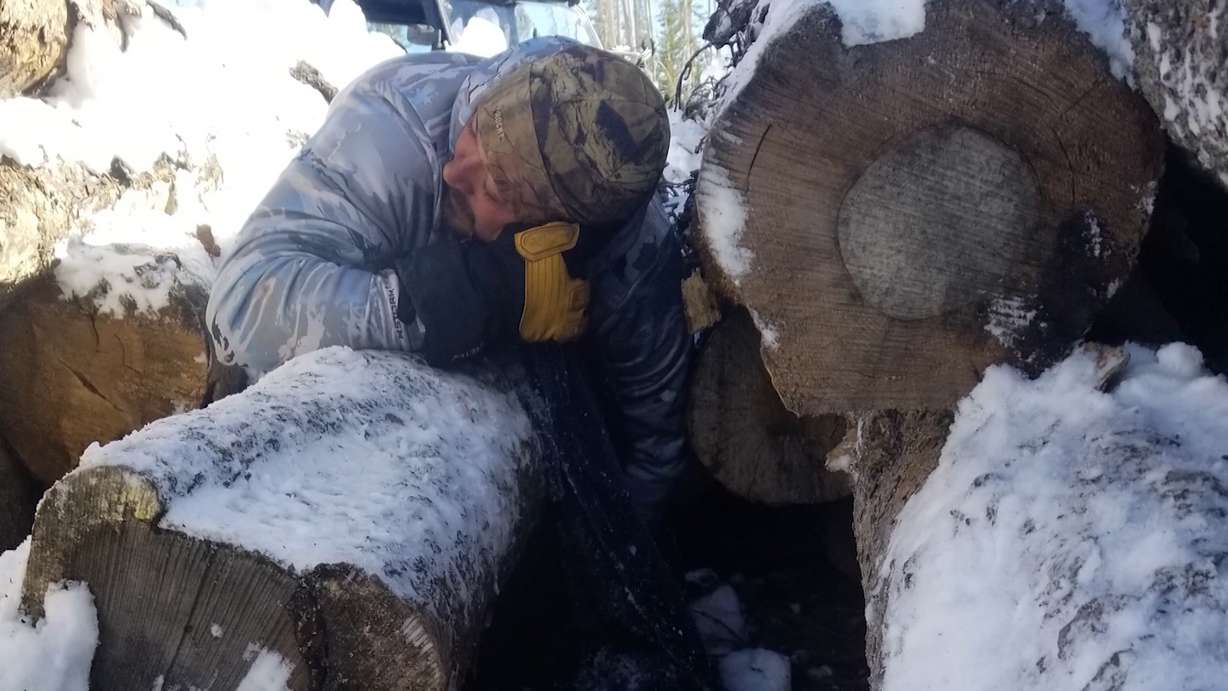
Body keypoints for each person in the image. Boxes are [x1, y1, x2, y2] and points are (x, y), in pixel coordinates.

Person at [206, 39, 689, 540]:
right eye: (477, 130)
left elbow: (655, 433)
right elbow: (240, 308)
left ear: (554, 236)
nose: (452, 172)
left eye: (495, 190)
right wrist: (458, 299)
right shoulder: (392, 126)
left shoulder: (632, 257)